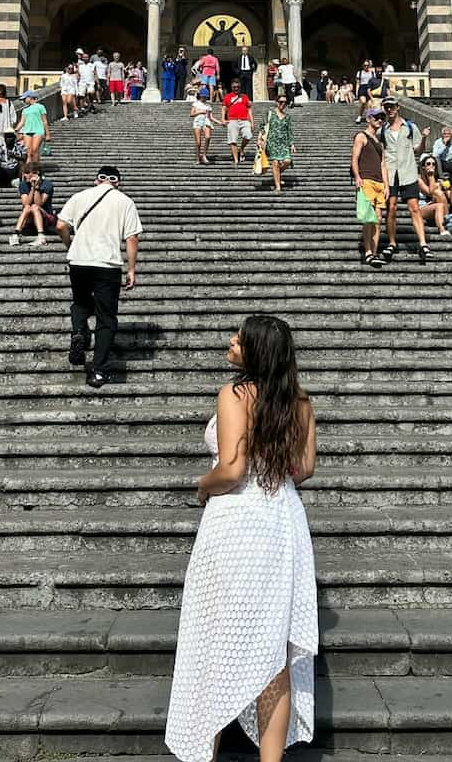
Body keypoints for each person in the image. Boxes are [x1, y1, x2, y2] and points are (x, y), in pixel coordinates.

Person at [165, 315, 317, 762]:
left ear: (256, 351)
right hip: (283, 522)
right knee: (275, 653)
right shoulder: (302, 402)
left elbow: (231, 472)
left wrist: (200, 484)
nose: (231, 341)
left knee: (215, 638)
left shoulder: (235, 393)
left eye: (239, 337)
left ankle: (205, 754)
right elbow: (304, 469)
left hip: (238, 524)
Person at [57, 165, 142, 388]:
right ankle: (98, 370)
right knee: (106, 317)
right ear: (118, 183)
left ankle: (78, 332)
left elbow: (60, 225)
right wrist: (131, 269)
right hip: (107, 264)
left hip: (79, 261)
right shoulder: (125, 201)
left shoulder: (79, 196)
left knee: (80, 303)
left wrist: (70, 245)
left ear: (96, 180)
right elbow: (131, 238)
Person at [380, 97, 431, 264]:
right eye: (387, 107)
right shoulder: (382, 130)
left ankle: (423, 244)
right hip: (390, 173)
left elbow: (418, 150)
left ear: (398, 107)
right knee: (391, 208)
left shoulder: (410, 127)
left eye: (392, 106)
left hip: (408, 172)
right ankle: (392, 243)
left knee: (414, 208)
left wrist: (424, 138)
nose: (390, 109)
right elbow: (381, 153)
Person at [352, 108, 387, 267]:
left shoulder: (380, 141)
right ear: (369, 119)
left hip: (379, 182)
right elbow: (355, 158)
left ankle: (374, 251)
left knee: (378, 220)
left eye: (382, 118)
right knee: (369, 218)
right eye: (377, 117)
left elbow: (383, 164)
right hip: (366, 180)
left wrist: (386, 184)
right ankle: (367, 252)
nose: (380, 120)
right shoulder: (361, 136)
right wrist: (358, 177)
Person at [10, 163, 63, 247]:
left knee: (35, 206)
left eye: (28, 172)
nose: (25, 175)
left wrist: (37, 187)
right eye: (25, 172)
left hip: (46, 218)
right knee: (28, 207)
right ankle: (16, 234)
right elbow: (26, 203)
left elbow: (39, 203)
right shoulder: (23, 184)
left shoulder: (47, 184)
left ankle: (41, 236)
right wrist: (32, 188)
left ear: (36, 173)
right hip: (30, 218)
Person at [258, 93, 295, 193]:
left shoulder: (287, 117)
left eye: (285, 102)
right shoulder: (270, 113)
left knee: (287, 161)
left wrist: (292, 144)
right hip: (272, 142)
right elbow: (262, 126)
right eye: (281, 102)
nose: (283, 104)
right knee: (275, 163)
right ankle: (278, 187)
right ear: (276, 102)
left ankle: (277, 173)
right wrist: (260, 139)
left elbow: (289, 131)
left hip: (283, 144)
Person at [223, 78, 255, 166]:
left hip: (244, 120)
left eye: (238, 87)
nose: (236, 88)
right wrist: (223, 119)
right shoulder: (227, 97)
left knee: (248, 135)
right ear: (231, 87)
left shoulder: (244, 97)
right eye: (234, 87)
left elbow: (249, 109)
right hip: (232, 119)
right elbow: (224, 108)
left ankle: (241, 149)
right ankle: (236, 160)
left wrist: (252, 122)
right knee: (233, 140)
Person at [417, 155, 451, 237]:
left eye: (433, 164)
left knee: (440, 196)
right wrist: (431, 177)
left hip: (434, 205)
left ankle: (447, 221)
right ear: (423, 167)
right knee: (439, 204)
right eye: (428, 164)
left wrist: (446, 189)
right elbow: (429, 192)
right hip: (421, 208)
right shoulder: (418, 180)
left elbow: (439, 196)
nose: (431, 166)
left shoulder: (437, 181)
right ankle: (443, 229)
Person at [15, 91, 49, 168]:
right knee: (28, 152)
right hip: (27, 131)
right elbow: (22, 122)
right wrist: (16, 130)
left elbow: (45, 121)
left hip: (38, 130)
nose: (23, 101)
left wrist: (47, 134)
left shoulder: (40, 107)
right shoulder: (25, 110)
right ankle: (28, 169)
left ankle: (36, 168)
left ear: (30, 98)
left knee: (35, 150)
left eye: (25, 99)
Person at [190, 86, 221, 166]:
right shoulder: (196, 104)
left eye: (206, 97)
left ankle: (204, 155)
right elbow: (191, 114)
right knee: (198, 142)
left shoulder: (208, 106)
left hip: (206, 121)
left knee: (208, 137)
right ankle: (197, 158)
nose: (204, 98)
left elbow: (211, 117)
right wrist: (200, 111)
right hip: (197, 122)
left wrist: (220, 122)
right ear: (200, 95)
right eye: (203, 96)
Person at [355, 59, 377, 123]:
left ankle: (368, 116)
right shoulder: (359, 72)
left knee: (369, 104)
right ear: (363, 66)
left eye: (367, 65)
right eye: (365, 65)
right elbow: (358, 83)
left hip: (370, 88)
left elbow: (374, 82)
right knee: (363, 102)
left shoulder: (372, 73)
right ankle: (360, 116)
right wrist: (356, 91)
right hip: (362, 87)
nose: (366, 66)